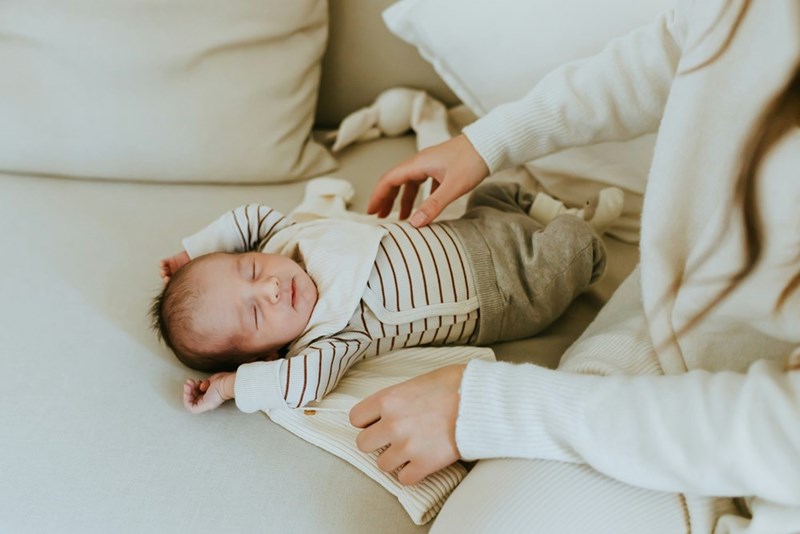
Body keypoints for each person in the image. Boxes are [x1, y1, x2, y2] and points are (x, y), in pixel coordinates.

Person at [350, 0, 800, 532]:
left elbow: (780, 437)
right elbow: (675, 49)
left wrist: (492, 406)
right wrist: (489, 142)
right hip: (663, 334)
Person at [151, 181, 624, 414]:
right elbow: (295, 388)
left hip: (467, 231)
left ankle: (551, 211)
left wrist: (193, 250)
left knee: (496, 192)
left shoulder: (284, 240)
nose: (270, 287)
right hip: (503, 292)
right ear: (270, 354)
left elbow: (250, 216)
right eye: (256, 312)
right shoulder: (329, 338)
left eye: (250, 270)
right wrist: (232, 387)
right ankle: (584, 229)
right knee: (571, 255)